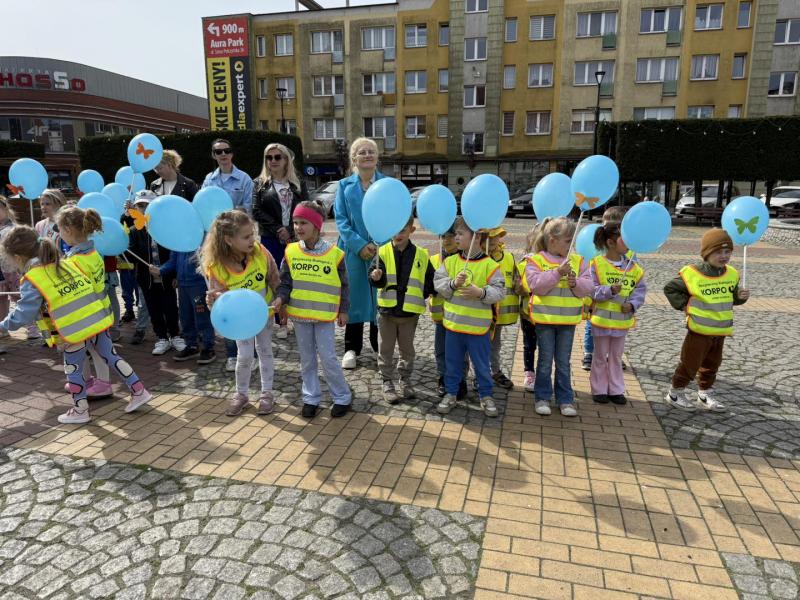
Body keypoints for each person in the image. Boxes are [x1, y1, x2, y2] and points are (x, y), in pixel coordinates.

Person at [0, 226, 151, 424]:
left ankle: (81, 410)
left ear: (18, 257)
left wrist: (2, 326)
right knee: (111, 356)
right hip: (96, 319)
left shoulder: (33, 278)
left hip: (73, 329)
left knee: (73, 369)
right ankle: (139, 390)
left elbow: (23, 313)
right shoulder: (64, 263)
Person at [274, 201, 352, 419]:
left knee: (328, 358)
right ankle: (311, 397)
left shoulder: (335, 254)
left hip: (325, 316)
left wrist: (344, 310)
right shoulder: (290, 252)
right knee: (307, 359)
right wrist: (280, 299)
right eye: (295, 222)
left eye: (303, 222)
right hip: (300, 315)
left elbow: (344, 285)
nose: (298, 227)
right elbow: (285, 282)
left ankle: (342, 396)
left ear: (317, 225)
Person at [201, 211, 279, 417]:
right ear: (228, 240)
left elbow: (274, 278)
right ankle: (241, 394)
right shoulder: (216, 267)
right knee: (243, 356)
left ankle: (267, 393)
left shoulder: (261, 252)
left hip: (265, 313)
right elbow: (218, 303)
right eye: (246, 237)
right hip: (241, 322)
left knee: (265, 351)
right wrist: (212, 301)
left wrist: (281, 303)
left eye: (252, 234)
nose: (252, 239)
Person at [664, 229, 749, 412]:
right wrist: (684, 306)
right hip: (699, 331)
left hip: (720, 331)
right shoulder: (692, 273)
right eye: (718, 252)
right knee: (690, 363)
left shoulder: (732, 274)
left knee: (712, 364)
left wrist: (741, 297)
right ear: (707, 253)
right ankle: (675, 392)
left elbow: (732, 298)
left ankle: (704, 393)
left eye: (727, 252)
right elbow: (670, 289)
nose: (724, 256)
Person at [434, 217, 505, 417]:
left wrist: (480, 293)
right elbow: (439, 284)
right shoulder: (450, 261)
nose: (455, 237)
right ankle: (451, 393)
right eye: (455, 234)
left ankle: (486, 395)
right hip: (453, 327)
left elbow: (499, 292)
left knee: (482, 365)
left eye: (460, 234)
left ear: (477, 237)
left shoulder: (490, 265)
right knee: (453, 364)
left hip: (478, 329)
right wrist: (453, 284)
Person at [526, 217, 593, 417]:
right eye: (567, 240)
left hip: (567, 322)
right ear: (552, 240)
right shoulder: (536, 260)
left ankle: (565, 399)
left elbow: (589, 286)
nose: (571, 244)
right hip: (545, 320)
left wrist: (575, 283)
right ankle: (542, 397)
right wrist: (557, 273)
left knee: (563, 361)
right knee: (545, 360)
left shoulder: (579, 261)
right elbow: (535, 285)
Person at [201, 138, 254, 371]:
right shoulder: (208, 180)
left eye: (227, 151)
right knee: (221, 295)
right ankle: (233, 353)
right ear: (213, 155)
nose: (223, 154)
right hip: (217, 243)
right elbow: (203, 208)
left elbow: (248, 208)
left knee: (241, 293)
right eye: (218, 151)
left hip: (237, 243)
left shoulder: (244, 179)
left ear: (232, 154)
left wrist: (231, 223)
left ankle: (248, 351)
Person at [369, 216, 434, 405]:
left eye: (403, 230)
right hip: (387, 312)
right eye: (396, 230)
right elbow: (374, 277)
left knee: (407, 350)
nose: (398, 235)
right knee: (385, 348)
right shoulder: (383, 251)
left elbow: (429, 279)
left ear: (411, 231)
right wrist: (376, 277)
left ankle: (405, 379)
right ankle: (387, 381)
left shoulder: (422, 254)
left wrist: (426, 292)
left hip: (409, 314)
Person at [56, 206, 117, 400]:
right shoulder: (91, 253)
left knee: (95, 349)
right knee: (88, 346)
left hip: (89, 311)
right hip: (98, 308)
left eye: (59, 229)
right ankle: (87, 380)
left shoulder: (77, 259)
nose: (59, 234)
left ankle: (104, 384)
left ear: (68, 230)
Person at [334, 137, 383, 370]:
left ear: (377, 156)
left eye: (371, 151)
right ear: (354, 158)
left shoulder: (386, 185)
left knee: (378, 298)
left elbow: (394, 216)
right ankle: (351, 348)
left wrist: (377, 243)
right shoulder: (344, 186)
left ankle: (379, 346)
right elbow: (341, 221)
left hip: (381, 249)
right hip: (353, 252)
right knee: (353, 298)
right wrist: (360, 245)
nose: (367, 155)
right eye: (361, 152)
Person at [252, 142, 309, 340]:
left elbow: (306, 207)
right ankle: (280, 321)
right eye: (269, 157)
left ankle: (299, 316)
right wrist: (278, 229)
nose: (273, 161)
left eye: (278, 157)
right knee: (275, 279)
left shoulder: (297, 182)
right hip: (271, 238)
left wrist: (292, 231)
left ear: (286, 160)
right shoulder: (259, 183)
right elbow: (256, 211)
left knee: (297, 276)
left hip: (295, 237)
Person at [589, 223, 646, 405]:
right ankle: (598, 389)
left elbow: (640, 291)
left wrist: (632, 305)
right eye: (624, 239)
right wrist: (609, 291)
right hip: (601, 321)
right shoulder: (596, 264)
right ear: (611, 243)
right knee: (600, 356)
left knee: (616, 356)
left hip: (622, 322)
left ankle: (616, 389)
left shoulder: (634, 268)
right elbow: (592, 290)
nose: (629, 242)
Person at [126, 191, 184, 356]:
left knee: (170, 306)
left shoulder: (166, 228)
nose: (143, 209)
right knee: (154, 308)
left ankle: (175, 335)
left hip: (166, 277)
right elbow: (131, 252)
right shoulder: (134, 230)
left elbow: (175, 251)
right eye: (140, 206)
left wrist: (174, 275)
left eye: (147, 205)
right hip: (146, 278)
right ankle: (161, 337)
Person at [151, 248, 216, 365]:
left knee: (202, 316)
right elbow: (173, 261)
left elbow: (210, 259)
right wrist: (161, 270)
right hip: (183, 285)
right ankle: (191, 345)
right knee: (185, 316)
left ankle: (208, 347)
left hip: (198, 285)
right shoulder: (179, 243)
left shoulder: (201, 238)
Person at [583, 206, 626, 371]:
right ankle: (589, 352)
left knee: (617, 328)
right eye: (608, 225)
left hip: (618, 301)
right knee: (591, 324)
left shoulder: (627, 249)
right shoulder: (597, 248)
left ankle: (613, 355)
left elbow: (634, 271)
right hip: (598, 295)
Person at [429, 226, 468, 399]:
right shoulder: (435, 259)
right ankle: (443, 379)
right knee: (441, 350)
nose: (447, 240)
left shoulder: (464, 259)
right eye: (443, 236)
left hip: (460, 316)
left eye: (451, 236)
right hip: (440, 316)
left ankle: (461, 380)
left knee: (461, 350)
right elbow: (428, 285)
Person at [486, 227, 517, 389]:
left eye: (495, 236)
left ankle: (495, 371)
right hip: (480, 312)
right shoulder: (478, 258)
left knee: (495, 344)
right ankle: (479, 374)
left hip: (498, 314)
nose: (492, 240)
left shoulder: (509, 258)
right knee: (477, 346)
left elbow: (517, 282)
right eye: (488, 237)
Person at [515, 228, 538, 392]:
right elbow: (518, 287)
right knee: (529, 344)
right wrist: (520, 288)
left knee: (546, 347)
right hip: (527, 313)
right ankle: (529, 372)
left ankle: (543, 375)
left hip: (547, 314)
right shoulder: (524, 263)